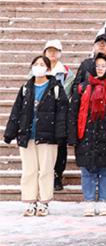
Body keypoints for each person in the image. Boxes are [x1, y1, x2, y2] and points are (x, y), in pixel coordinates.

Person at [5, 56, 69, 217]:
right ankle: (30, 201)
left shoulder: (55, 88)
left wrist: (61, 135)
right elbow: (16, 111)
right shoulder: (26, 88)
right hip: (27, 135)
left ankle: (44, 202)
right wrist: (10, 132)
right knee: (29, 170)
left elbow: (62, 113)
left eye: (42, 64)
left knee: (46, 170)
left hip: (48, 136)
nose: (38, 67)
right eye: (36, 64)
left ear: (48, 69)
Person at [68, 53, 106, 216]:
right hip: (86, 135)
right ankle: (89, 202)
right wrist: (72, 135)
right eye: (97, 66)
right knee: (88, 171)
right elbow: (73, 112)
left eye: (103, 66)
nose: (100, 69)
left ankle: (104, 202)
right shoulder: (82, 88)